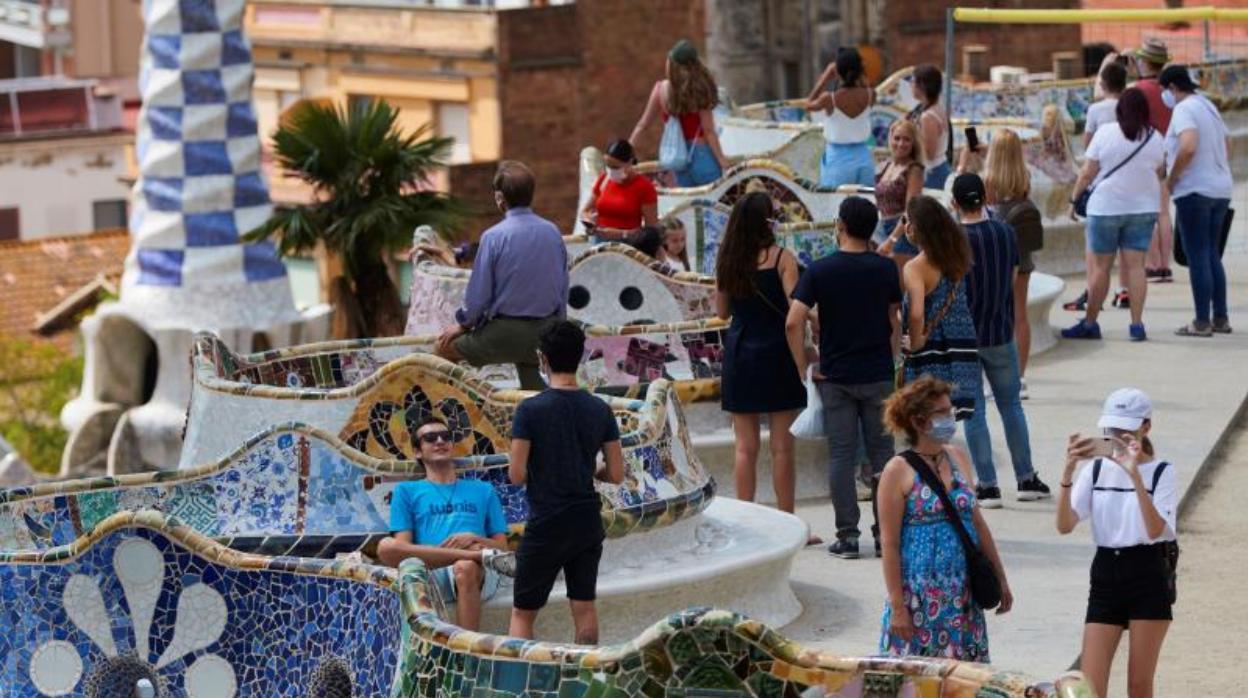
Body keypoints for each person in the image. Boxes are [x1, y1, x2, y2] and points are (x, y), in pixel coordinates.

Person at [786, 196, 900, 558]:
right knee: (883, 455)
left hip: (835, 374)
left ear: (841, 226)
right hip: (877, 371)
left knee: (841, 455)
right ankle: (886, 534)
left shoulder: (821, 270)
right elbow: (893, 320)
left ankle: (847, 536)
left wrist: (802, 364)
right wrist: (893, 359)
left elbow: (793, 320)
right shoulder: (884, 269)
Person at [878, 376, 1013, 661]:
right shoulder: (897, 471)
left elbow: (977, 523)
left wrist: (1000, 578)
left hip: (962, 592)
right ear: (918, 421)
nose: (951, 418)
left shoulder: (957, 456)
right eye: (943, 413)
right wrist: (898, 607)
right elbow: (889, 544)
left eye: (950, 410)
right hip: (920, 596)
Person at [507, 321, 626, 644]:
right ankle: (586, 680)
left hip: (547, 520)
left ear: (542, 359)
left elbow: (516, 475)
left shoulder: (529, 410)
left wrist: (544, 469)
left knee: (522, 612)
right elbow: (616, 474)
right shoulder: (600, 409)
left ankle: (521, 687)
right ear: (580, 357)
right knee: (584, 607)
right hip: (587, 519)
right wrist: (589, 471)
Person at [1056, 388, 1177, 698]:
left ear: (1146, 427)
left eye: (1127, 429)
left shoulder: (1163, 472)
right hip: (1106, 570)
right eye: (1113, 430)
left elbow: (1154, 530)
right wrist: (1068, 471)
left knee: (1138, 685)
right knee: (1090, 687)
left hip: (1147, 570)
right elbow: (1065, 525)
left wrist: (1135, 475)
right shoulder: (1095, 469)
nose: (1120, 436)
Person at [951, 173, 1050, 508]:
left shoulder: (954, 239)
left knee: (973, 409)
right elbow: (1010, 279)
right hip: (999, 330)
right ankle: (1025, 477)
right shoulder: (1005, 232)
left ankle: (987, 485)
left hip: (963, 336)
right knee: (1011, 405)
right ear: (984, 197)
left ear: (955, 203)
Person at [435, 161, 568, 390]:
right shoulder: (553, 232)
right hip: (548, 330)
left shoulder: (493, 237)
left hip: (506, 333)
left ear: (500, 198)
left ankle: (451, 415)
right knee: (532, 381)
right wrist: (557, 327)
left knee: (441, 350)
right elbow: (563, 285)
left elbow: (479, 296)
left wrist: (463, 325)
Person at [715, 192, 806, 515]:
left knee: (745, 447)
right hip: (777, 353)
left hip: (740, 352)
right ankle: (787, 521)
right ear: (767, 220)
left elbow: (722, 312)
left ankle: (747, 521)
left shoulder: (727, 260)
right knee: (782, 448)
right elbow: (796, 308)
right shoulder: (782, 258)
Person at [377, 418, 510, 631]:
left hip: (478, 573)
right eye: (430, 438)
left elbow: (502, 549)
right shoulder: (406, 491)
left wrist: (474, 538)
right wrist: (468, 552)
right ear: (417, 452)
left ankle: (465, 653)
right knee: (386, 546)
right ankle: (472, 555)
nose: (440, 441)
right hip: (434, 570)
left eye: (446, 437)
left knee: (464, 567)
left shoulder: (483, 489)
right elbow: (403, 550)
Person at [1064, 88, 1164, 343]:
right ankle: (1137, 324)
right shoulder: (1155, 137)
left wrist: (1074, 200)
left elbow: (1088, 172)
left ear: (1120, 110)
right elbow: (1160, 172)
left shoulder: (1105, 133)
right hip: (1142, 208)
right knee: (1136, 268)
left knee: (1101, 269)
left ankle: (1090, 322)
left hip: (1106, 208)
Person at [1161, 65, 1234, 338]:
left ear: (1171, 88)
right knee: (1212, 252)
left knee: (1198, 255)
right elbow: (1227, 144)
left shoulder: (1183, 109)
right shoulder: (1207, 105)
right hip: (1219, 188)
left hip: (1194, 190)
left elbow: (1188, 145)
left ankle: (1201, 321)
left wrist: (1173, 178)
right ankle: (1220, 317)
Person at [899, 195, 981, 420]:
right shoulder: (955, 257)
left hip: (930, 360)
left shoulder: (915, 267)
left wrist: (916, 342)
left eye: (907, 220)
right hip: (958, 357)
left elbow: (916, 314)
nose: (905, 226)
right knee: (946, 426)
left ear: (919, 227)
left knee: (925, 428)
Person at [1065, 59, 1133, 316]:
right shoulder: (1129, 107)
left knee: (1094, 248)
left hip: (1101, 180)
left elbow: (1088, 144)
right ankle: (1123, 289)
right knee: (1128, 247)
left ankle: (1092, 293)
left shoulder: (1096, 111)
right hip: (1127, 180)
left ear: (1103, 84)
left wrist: (1075, 197)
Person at [982, 129, 1043, 390]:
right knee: (1020, 314)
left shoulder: (989, 181)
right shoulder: (1023, 177)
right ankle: (1019, 375)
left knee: (995, 312)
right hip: (1022, 254)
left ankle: (996, 375)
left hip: (997, 254)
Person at [630, 39, 731, 187]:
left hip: (676, 159)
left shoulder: (660, 90)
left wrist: (625, 151)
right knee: (713, 202)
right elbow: (709, 131)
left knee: (688, 204)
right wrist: (722, 160)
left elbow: (643, 125)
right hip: (702, 153)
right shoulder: (700, 91)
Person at [1131, 39, 1176, 285]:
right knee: (1164, 212)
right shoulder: (1170, 90)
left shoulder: (1137, 89)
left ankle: (1151, 264)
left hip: (1146, 154)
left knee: (1147, 211)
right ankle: (1164, 265)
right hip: (1169, 153)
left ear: (1145, 62)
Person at [806, 47, 876, 188]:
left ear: (837, 72)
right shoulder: (871, 94)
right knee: (867, 204)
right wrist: (859, 72)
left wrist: (826, 76)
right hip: (864, 157)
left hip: (837, 160)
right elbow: (864, 84)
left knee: (835, 204)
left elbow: (808, 105)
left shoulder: (829, 99)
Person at [580, 139, 657, 242]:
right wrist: (589, 221)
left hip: (627, 246)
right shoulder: (604, 180)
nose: (611, 170)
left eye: (615, 167)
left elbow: (650, 231)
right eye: (608, 166)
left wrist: (622, 234)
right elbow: (585, 210)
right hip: (599, 242)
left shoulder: (644, 187)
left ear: (629, 162)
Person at [874, 119, 926, 268]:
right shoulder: (885, 166)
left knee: (902, 286)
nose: (901, 143)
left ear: (913, 143)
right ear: (890, 138)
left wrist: (892, 240)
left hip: (902, 234)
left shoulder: (914, 169)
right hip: (881, 230)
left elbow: (910, 211)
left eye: (906, 139)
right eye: (897, 138)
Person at [908, 64, 951, 190]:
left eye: (912, 81)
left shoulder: (928, 117)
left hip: (933, 172)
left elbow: (929, 153)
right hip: (937, 168)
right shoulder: (936, 109)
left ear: (922, 85)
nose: (910, 85)